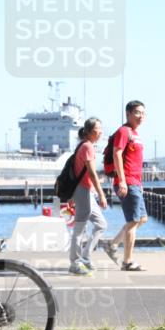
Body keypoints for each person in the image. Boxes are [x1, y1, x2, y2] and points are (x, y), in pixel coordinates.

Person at [104, 100, 147, 271]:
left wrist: (140, 184)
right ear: (128, 113)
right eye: (137, 112)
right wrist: (122, 180)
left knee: (141, 219)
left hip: (135, 182)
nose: (141, 116)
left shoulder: (135, 133)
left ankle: (112, 245)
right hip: (127, 182)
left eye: (143, 113)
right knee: (133, 221)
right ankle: (127, 261)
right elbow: (117, 154)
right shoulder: (124, 131)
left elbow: (135, 161)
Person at [68, 117, 108, 275]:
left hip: (85, 191)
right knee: (79, 229)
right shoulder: (87, 147)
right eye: (99, 128)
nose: (101, 131)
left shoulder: (84, 145)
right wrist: (102, 194)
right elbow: (91, 173)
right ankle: (74, 264)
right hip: (83, 191)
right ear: (91, 132)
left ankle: (85, 255)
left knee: (101, 224)